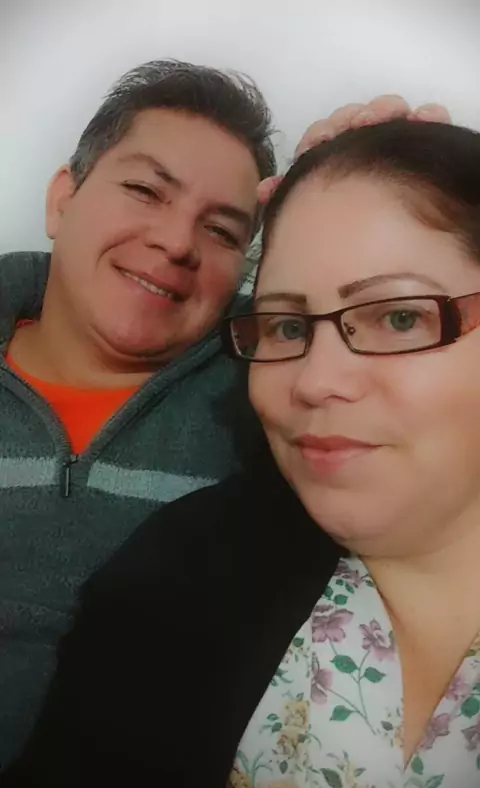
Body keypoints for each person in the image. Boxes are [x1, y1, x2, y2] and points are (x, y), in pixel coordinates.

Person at [0, 51, 449, 763]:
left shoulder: (284, 392)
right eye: (146, 190)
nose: (176, 242)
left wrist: (353, 192)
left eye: (222, 230)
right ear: (63, 199)